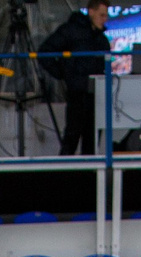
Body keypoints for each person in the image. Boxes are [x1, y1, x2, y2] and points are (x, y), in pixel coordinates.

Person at [37, 1, 111, 157]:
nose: (105, 19)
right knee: (72, 137)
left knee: (91, 141)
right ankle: (65, 177)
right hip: (78, 94)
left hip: (96, 96)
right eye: (102, 15)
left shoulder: (102, 39)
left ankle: (89, 178)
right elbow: (44, 53)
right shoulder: (71, 31)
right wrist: (63, 74)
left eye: (106, 15)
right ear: (91, 12)